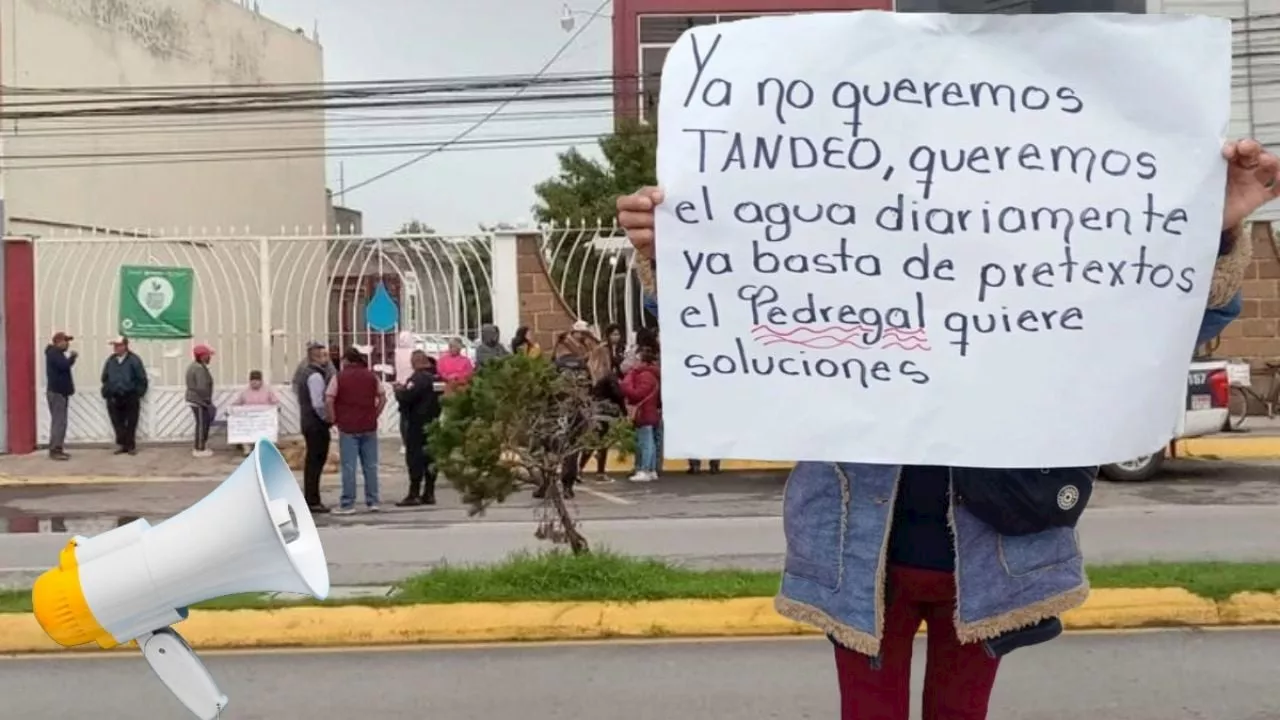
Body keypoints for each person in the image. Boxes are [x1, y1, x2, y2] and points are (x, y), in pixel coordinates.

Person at [613, 138, 1280, 720]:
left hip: (990, 557)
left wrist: (1213, 229)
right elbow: (735, 313)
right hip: (855, 556)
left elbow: (1164, 321)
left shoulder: (1036, 274)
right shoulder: (843, 260)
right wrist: (672, 248)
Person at [326, 347, 386, 514]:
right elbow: (382, 397)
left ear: (346, 361)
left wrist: (333, 419)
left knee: (349, 467)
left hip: (348, 426)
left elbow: (329, 398)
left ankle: (348, 503)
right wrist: (375, 414)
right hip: (369, 425)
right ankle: (373, 501)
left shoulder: (339, 377)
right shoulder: (371, 376)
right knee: (371, 466)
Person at [394, 350, 442, 506]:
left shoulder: (418, 378)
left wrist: (399, 391)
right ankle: (429, 492)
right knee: (431, 458)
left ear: (415, 362)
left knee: (415, 458)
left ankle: (413, 493)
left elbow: (408, 396)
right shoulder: (437, 378)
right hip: (434, 422)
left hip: (417, 422)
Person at [292, 342, 332, 514]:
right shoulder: (315, 376)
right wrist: (328, 418)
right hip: (316, 423)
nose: (327, 358)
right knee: (316, 461)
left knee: (312, 462)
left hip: (307, 421)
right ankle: (312, 499)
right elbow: (318, 403)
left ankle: (311, 497)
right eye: (324, 355)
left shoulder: (304, 374)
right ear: (316, 357)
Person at [580, 343, 626, 482]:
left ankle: (579, 469)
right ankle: (600, 472)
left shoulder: (591, 374)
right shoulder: (609, 376)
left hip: (593, 410)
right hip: (607, 412)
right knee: (603, 443)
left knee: (592, 442)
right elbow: (618, 395)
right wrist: (624, 411)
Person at [620, 345, 661, 483]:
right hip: (650, 412)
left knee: (646, 443)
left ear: (644, 362)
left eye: (637, 360)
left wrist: (629, 378)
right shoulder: (650, 374)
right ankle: (651, 469)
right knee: (650, 443)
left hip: (645, 413)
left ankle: (645, 470)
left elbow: (636, 394)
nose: (634, 363)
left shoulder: (645, 375)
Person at [101, 336, 147, 456]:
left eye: (118, 345)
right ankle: (122, 444)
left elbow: (141, 378)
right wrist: (107, 390)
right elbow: (104, 377)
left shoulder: (134, 360)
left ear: (125, 346)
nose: (115, 348)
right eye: (114, 346)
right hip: (114, 395)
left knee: (131, 421)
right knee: (117, 421)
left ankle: (130, 446)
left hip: (130, 394)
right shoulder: (110, 360)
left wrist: (138, 392)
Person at [44, 331, 77, 461]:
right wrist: (72, 358)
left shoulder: (57, 354)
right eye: (65, 341)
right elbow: (63, 366)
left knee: (60, 422)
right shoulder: (54, 354)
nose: (68, 344)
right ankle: (55, 449)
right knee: (59, 422)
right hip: (57, 392)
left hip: (60, 392)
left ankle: (58, 448)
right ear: (58, 342)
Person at [184, 344, 216, 458]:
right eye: (208, 355)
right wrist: (207, 401)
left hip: (196, 399)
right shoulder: (198, 369)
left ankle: (200, 446)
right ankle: (199, 448)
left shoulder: (195, 366)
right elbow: (202, 387)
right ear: (202, 356)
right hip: (199, 400)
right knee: (202, 424)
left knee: (201, 423)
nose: (210, 358)